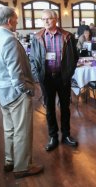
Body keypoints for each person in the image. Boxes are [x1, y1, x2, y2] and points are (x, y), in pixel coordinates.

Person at [0, 6, 43, 178]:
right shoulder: (9, 40)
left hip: (1, 91)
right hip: (16, 93)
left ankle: (10, 161)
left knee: (9, 128)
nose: (17, 22)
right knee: (22, 130)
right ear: (9, 20)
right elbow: (16, 73)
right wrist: (27, 90)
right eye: (16, 19)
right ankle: (23, 167)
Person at [30, 9, 79, 151]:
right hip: (46, 78)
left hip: (62, 77)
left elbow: (74, 57)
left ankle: (66, 135)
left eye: (48, 19)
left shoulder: (67, 36)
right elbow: (32, 58)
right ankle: (53, 136)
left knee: (65, 107)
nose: (45, 21)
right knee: (49, 108)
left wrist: (69, 73)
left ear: (55, 19)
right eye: (43, 19)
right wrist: (37, 75)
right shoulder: (37, 37)